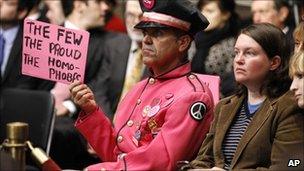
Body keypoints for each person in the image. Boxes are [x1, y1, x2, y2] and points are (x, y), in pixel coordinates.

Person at [69, 0, 214, 170]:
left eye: (158, 33)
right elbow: (116, 153)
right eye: (145, 32)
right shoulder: (140, 87)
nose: (146, 40)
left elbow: (161, 162)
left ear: (182, 43)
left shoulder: (193, 96)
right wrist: (91, 111)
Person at [186, 23, 304, 170]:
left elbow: (288, 167)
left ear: (274, 62)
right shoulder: (224, 106)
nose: (238, 60)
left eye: (249, 53)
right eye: (236, 52)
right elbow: (204, 158)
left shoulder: (288, 107)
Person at [48, 0, 117, 169]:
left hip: (73, 116)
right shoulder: (46, 34)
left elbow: (98, 85)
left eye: (107, 3)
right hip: (42, 107)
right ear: (79, 5)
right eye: (99, 2)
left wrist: (69, 106)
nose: (106, 8)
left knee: (60, 133)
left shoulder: (106, 43)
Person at [94, 0, 147, 119]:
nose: (135, 22)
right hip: (108, 122)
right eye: (130, 15)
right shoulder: (112, 45)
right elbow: (99, 90)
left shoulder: (163, 54)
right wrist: (109, 125)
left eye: (141, 16)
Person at [191, 0, 240, 98]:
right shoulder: (193, 38)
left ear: (225, 14)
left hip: (218, 99)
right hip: (188, 93)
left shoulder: (232, 45)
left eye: (210, 11)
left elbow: (233, 82)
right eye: (201, 10)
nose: (203, 15)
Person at [0, 0, 53, 90]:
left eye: (7, 2)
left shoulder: (33, 43)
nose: (0, 3)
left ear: (21, 12)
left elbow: (27, 84)